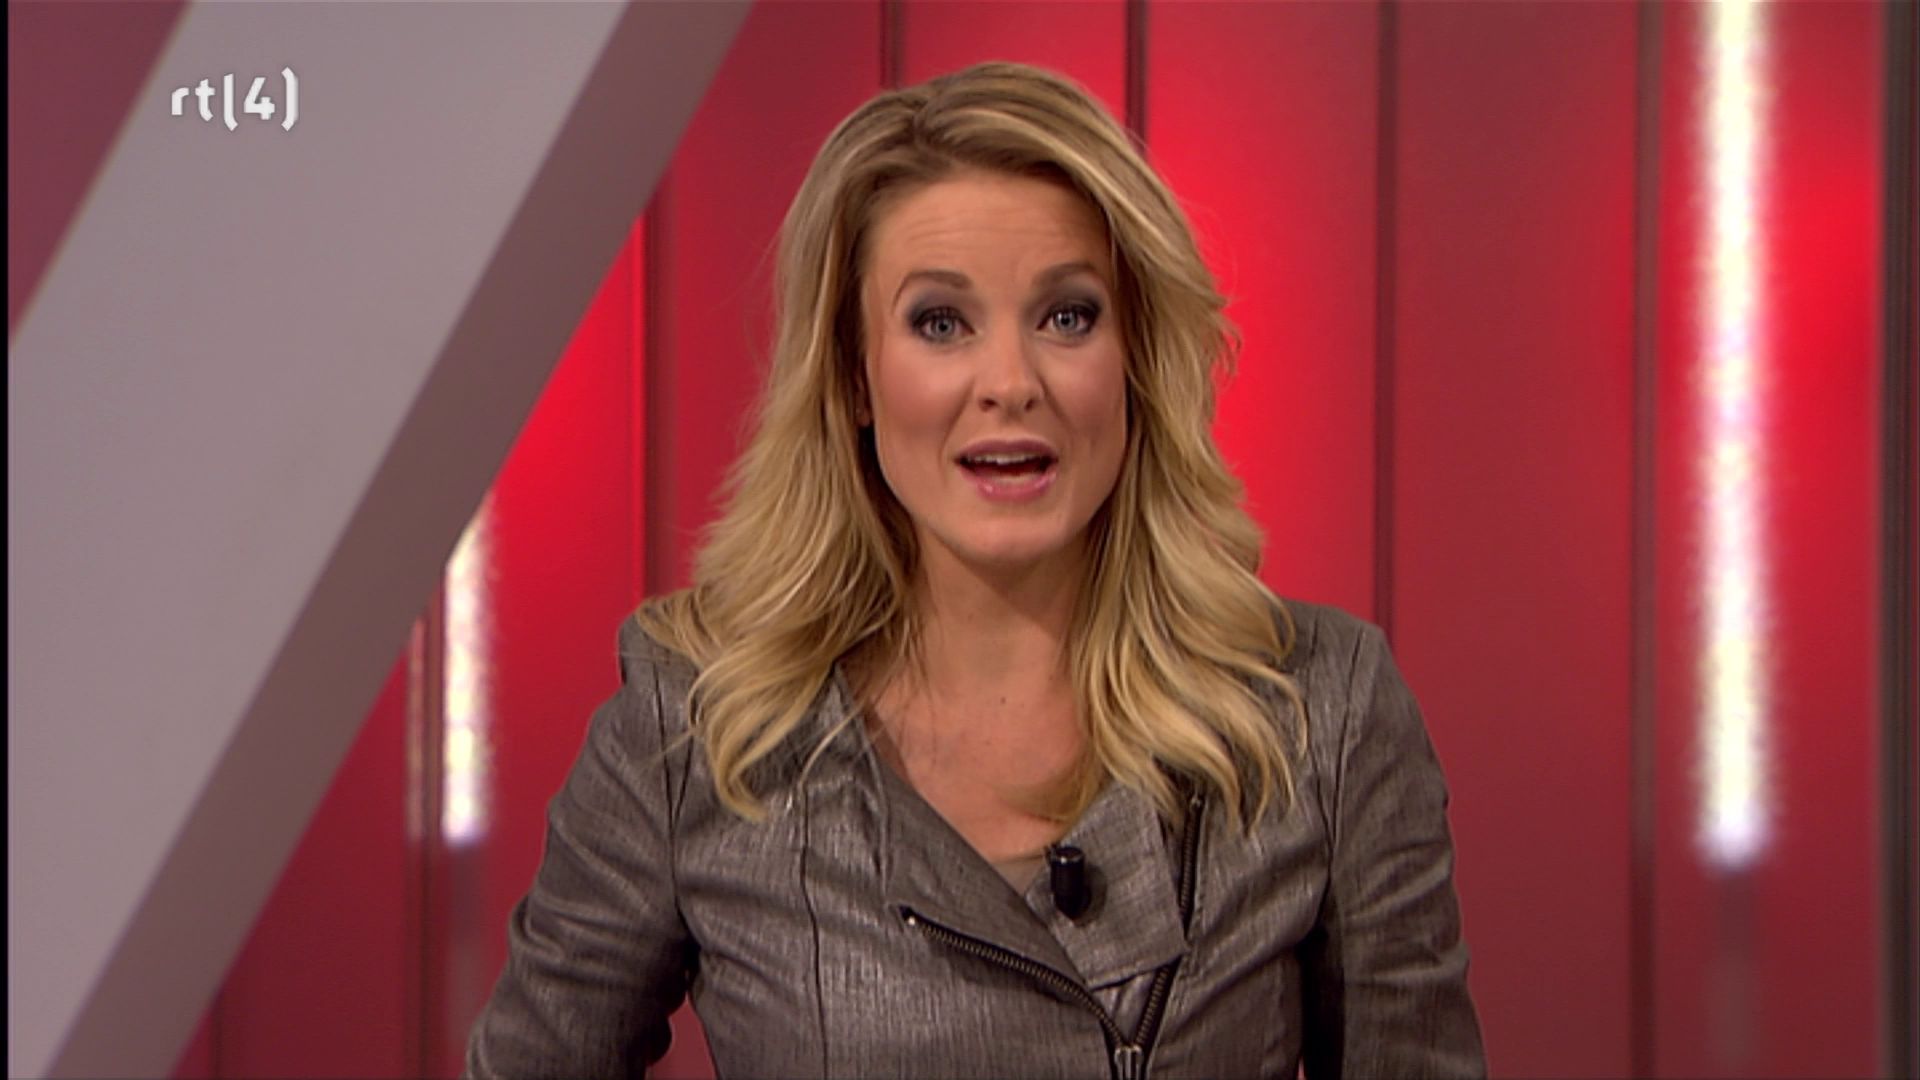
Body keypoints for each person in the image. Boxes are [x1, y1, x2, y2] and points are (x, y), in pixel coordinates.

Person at [466, 61, 1484, 1079]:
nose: (1010, 383)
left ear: (1134, 359)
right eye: (940, 323)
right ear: (855, 375)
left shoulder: (1321, 714)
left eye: (1068, 316)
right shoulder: (699, 724)